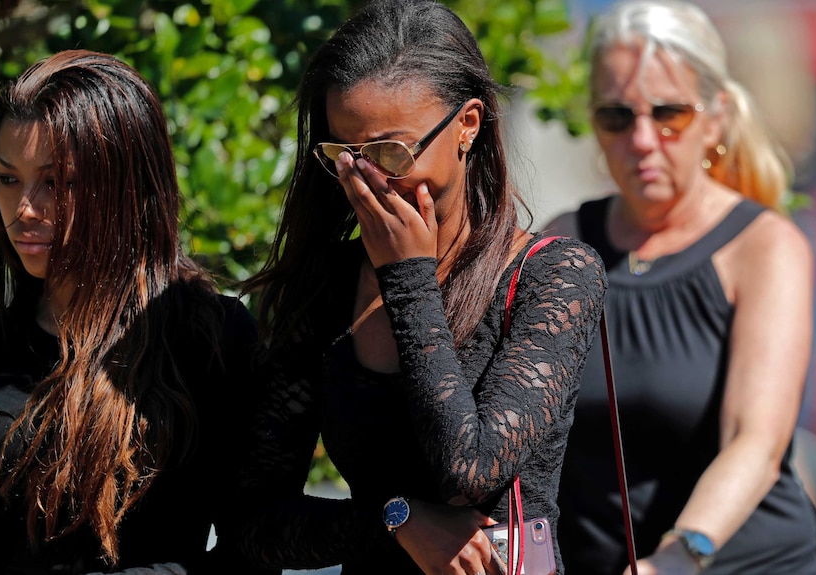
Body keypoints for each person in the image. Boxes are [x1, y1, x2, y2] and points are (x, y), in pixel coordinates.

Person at [234, 1, 607, 574]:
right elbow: (255, 522)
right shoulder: (327, 287)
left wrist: (408, 278)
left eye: (390, 152)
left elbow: (469, 471)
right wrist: (397, 520)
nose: (369, 180)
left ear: (468, 125)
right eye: (346, 155)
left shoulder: (554, 276)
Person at [546, 1, 816, 573]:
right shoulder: (564, 241)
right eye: (617, 117)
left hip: (737, 562)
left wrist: (676, 559)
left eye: (669, 113)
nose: (643, 139)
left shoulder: (765, 246)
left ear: (716, 119)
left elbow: (756, 440)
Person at [0, 50, 265, 574]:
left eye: (58, 182)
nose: (25, 210)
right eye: (7, 178)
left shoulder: (211, 339)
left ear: (126, 186)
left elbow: (253, 551)